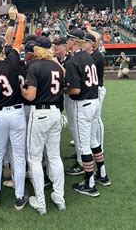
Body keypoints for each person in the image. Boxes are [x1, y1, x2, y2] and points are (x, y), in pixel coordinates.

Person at [0, 11, 27, 210]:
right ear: (2, 50)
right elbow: (15, 40)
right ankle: (19, 197)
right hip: (17, 112)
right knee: (18, 156)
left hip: (0, 114)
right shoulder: (11, 61)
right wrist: (18, 21)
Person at [22, 36, 66, 215]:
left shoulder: (35, 66)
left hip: (40, 112)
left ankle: (41, 202)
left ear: (38, 49)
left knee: (35, 158)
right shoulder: (57, 66)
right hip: (56, 112)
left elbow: (30, 96)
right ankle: (59, 197)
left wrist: (21, 89)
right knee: (54, 156)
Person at [63, 28, 101, 197]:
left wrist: (62, 90)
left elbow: (75, 90)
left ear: (73, 41)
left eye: (68, 39)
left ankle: (90, 184)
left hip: (83, 104)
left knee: (84, 146)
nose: (66, 42)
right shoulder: (88, 56)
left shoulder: (73, 61)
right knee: (93, 141)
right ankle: (102, 173)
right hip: (94, 101)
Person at [83, 32, 111, 186]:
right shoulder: (92, 53)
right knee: (92, 134)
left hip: (97, 90)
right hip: (93, 92)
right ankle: (102, 173)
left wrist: (89, 29)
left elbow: (98, 37)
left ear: (92, 44)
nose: (84, 44)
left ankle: (90, 183)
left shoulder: (97, 55)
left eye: (87, 41)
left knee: (96, 122)